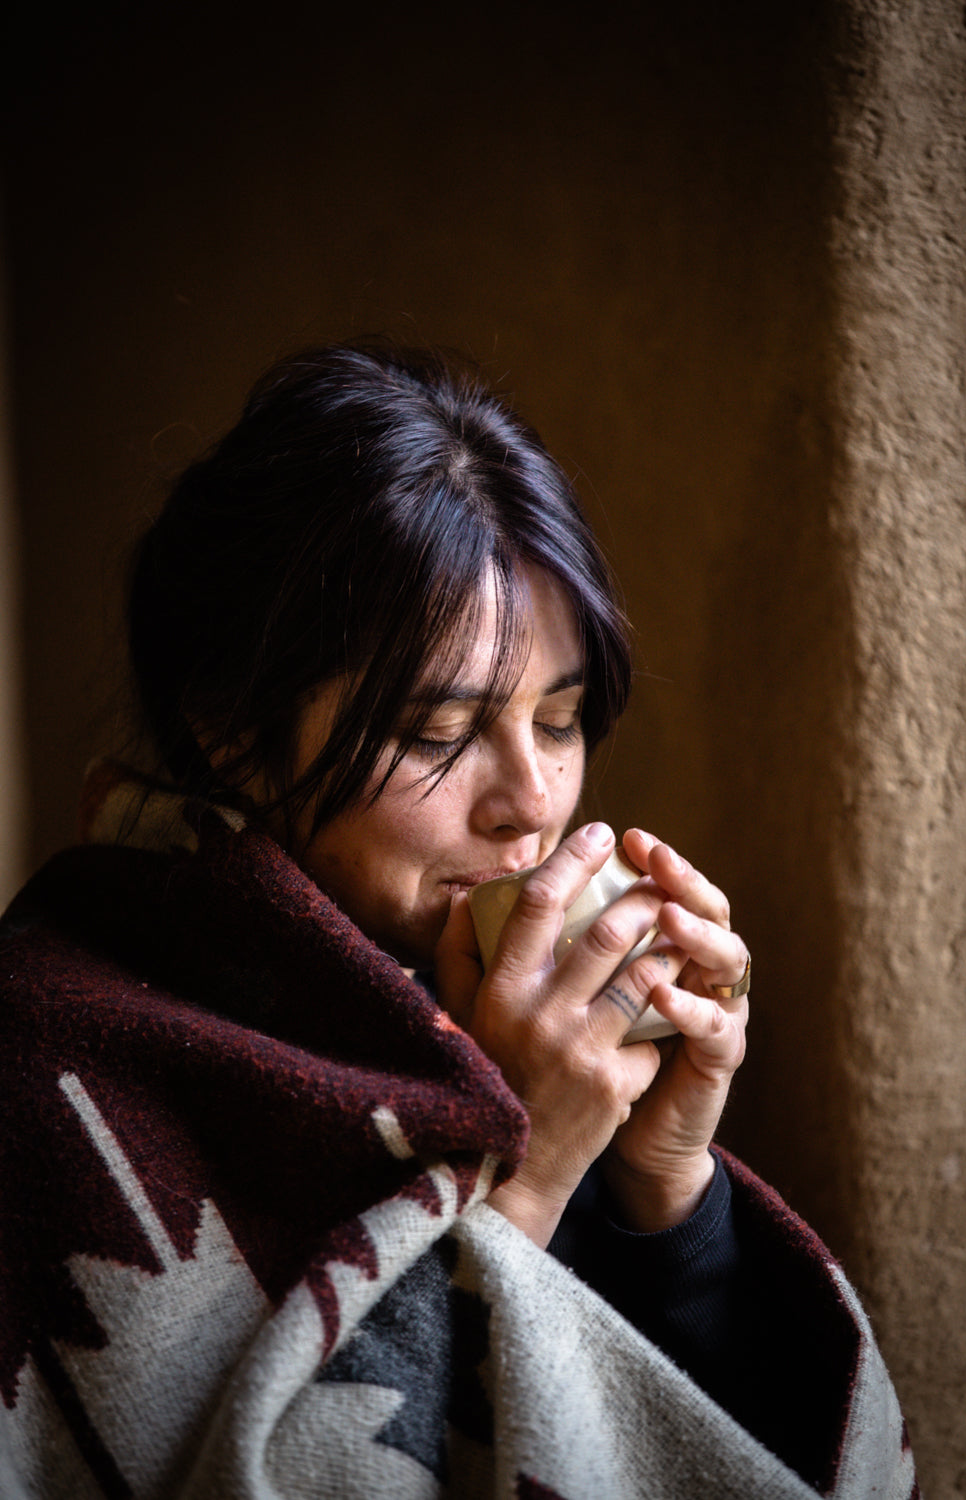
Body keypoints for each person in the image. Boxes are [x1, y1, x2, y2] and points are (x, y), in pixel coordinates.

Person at [0, 342, 916, 1499]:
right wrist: (525, 1179)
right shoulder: (47, 1067)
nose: (529, 802)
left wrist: (663, 1188)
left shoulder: (481, 1027)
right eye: (438, 733)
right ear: (230, 726)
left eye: (563, 719)